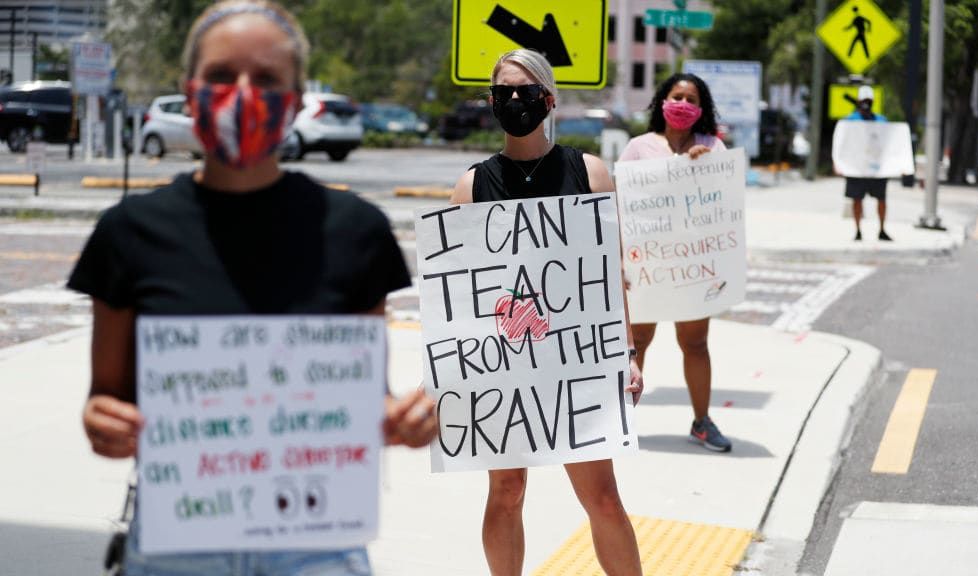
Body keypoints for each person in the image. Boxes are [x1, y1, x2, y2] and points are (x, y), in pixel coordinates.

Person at [68, 2, 437, 575]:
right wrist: (104, 425)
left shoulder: (355, 232)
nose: (243, 93)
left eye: (266, 79)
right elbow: (105, 398)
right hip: (176, 543)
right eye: (221, 76)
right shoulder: (130, 233)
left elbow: (365, 396)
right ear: (189, 91)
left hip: (317, 546)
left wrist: (401, 419)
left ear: (295, 100)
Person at [450, 48, 644, 576]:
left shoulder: (590, 171)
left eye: (527, 91)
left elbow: (608, 274)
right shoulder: (472, 185)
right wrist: (450, 371)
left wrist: (626, 352)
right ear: (491, 102)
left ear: (548, 98)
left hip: (575, 361)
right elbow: (459, 295)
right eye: (505, 92)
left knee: (601, 497)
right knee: (506, 491)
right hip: (504, 359)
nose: (516, 100)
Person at [617, 72, 733, 453]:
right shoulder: (638, 148)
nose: (683, 104)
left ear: (702, 110)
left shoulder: (713, 148)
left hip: (693, 265)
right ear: (662, 102)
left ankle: (702, 422)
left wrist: (704, 167)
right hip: (647, 264)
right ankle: (619, 421)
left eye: (692, 99)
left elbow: (726, 203)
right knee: (639, 343)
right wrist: (618, 258)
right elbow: (618, 205)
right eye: (676, 96)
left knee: (695, 343)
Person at [843, 85, 892, 242]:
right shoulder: (850, 121)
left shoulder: (881, 121)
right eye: (864, 101)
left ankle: (882, 229)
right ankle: (857, 230)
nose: (866, 103)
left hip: (876, 169)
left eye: (868, 101)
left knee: (881, 199)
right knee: (857, 199)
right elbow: (843, 144)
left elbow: (890, 143)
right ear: (858, 101)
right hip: (857, 168)